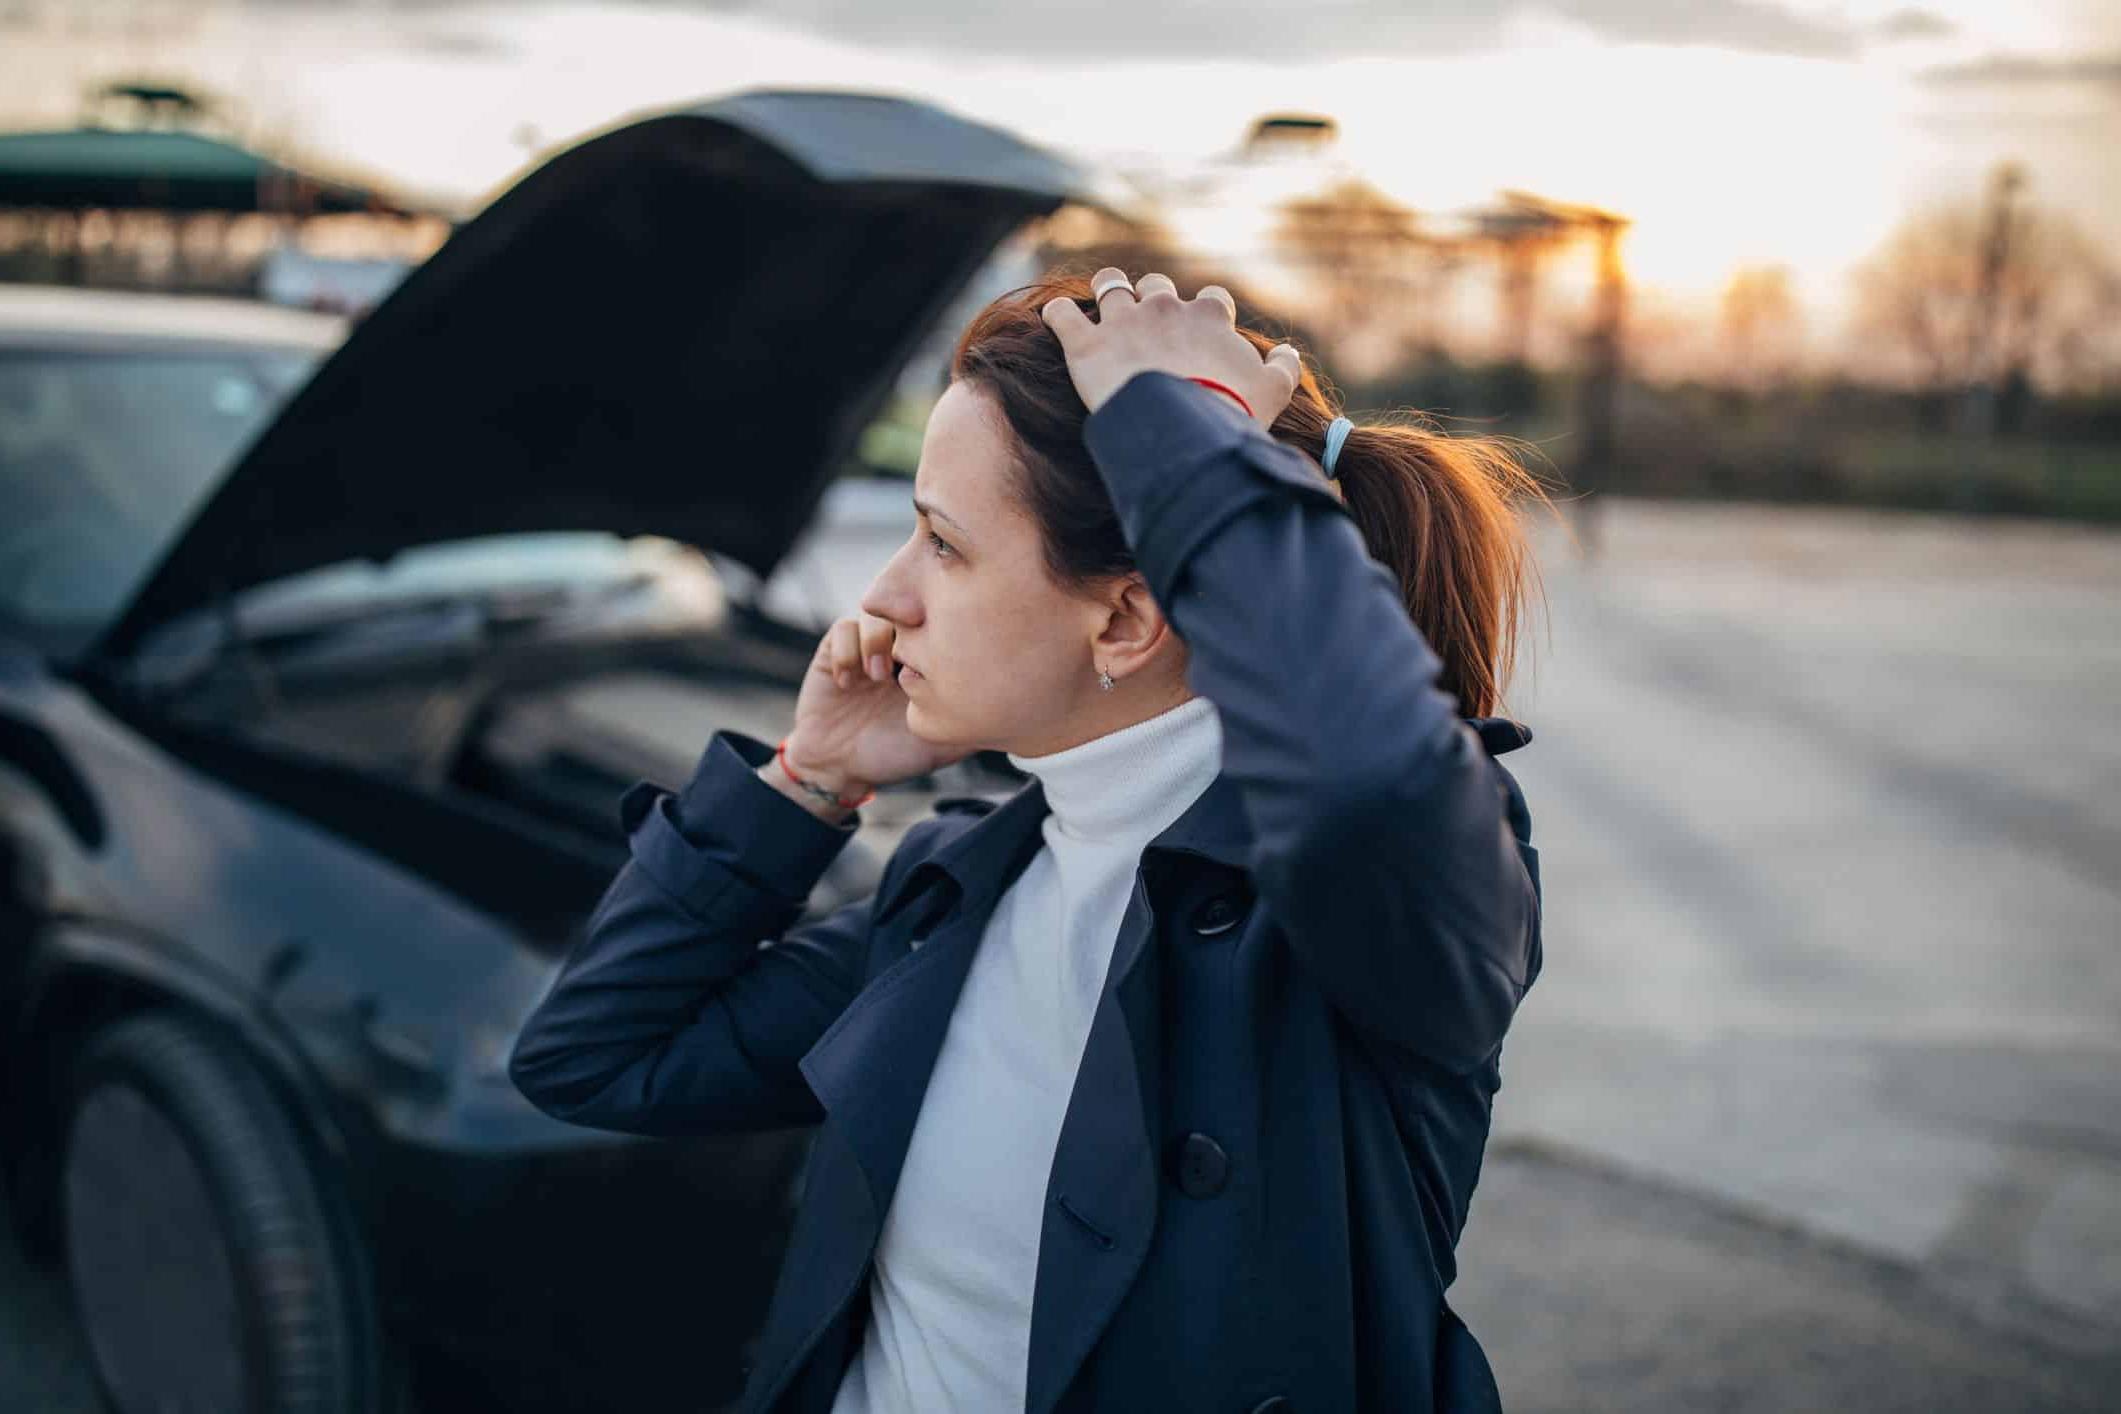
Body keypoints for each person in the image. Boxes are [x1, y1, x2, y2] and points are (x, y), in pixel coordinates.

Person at [509, 267, 1549, 1414]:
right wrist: (810, 779)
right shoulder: (958, 891)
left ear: (1125, 617)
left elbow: (1367, 764)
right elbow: (592, 1057)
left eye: (942, 545)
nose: (886, 595)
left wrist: (1184, 438)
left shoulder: (1363, 921)